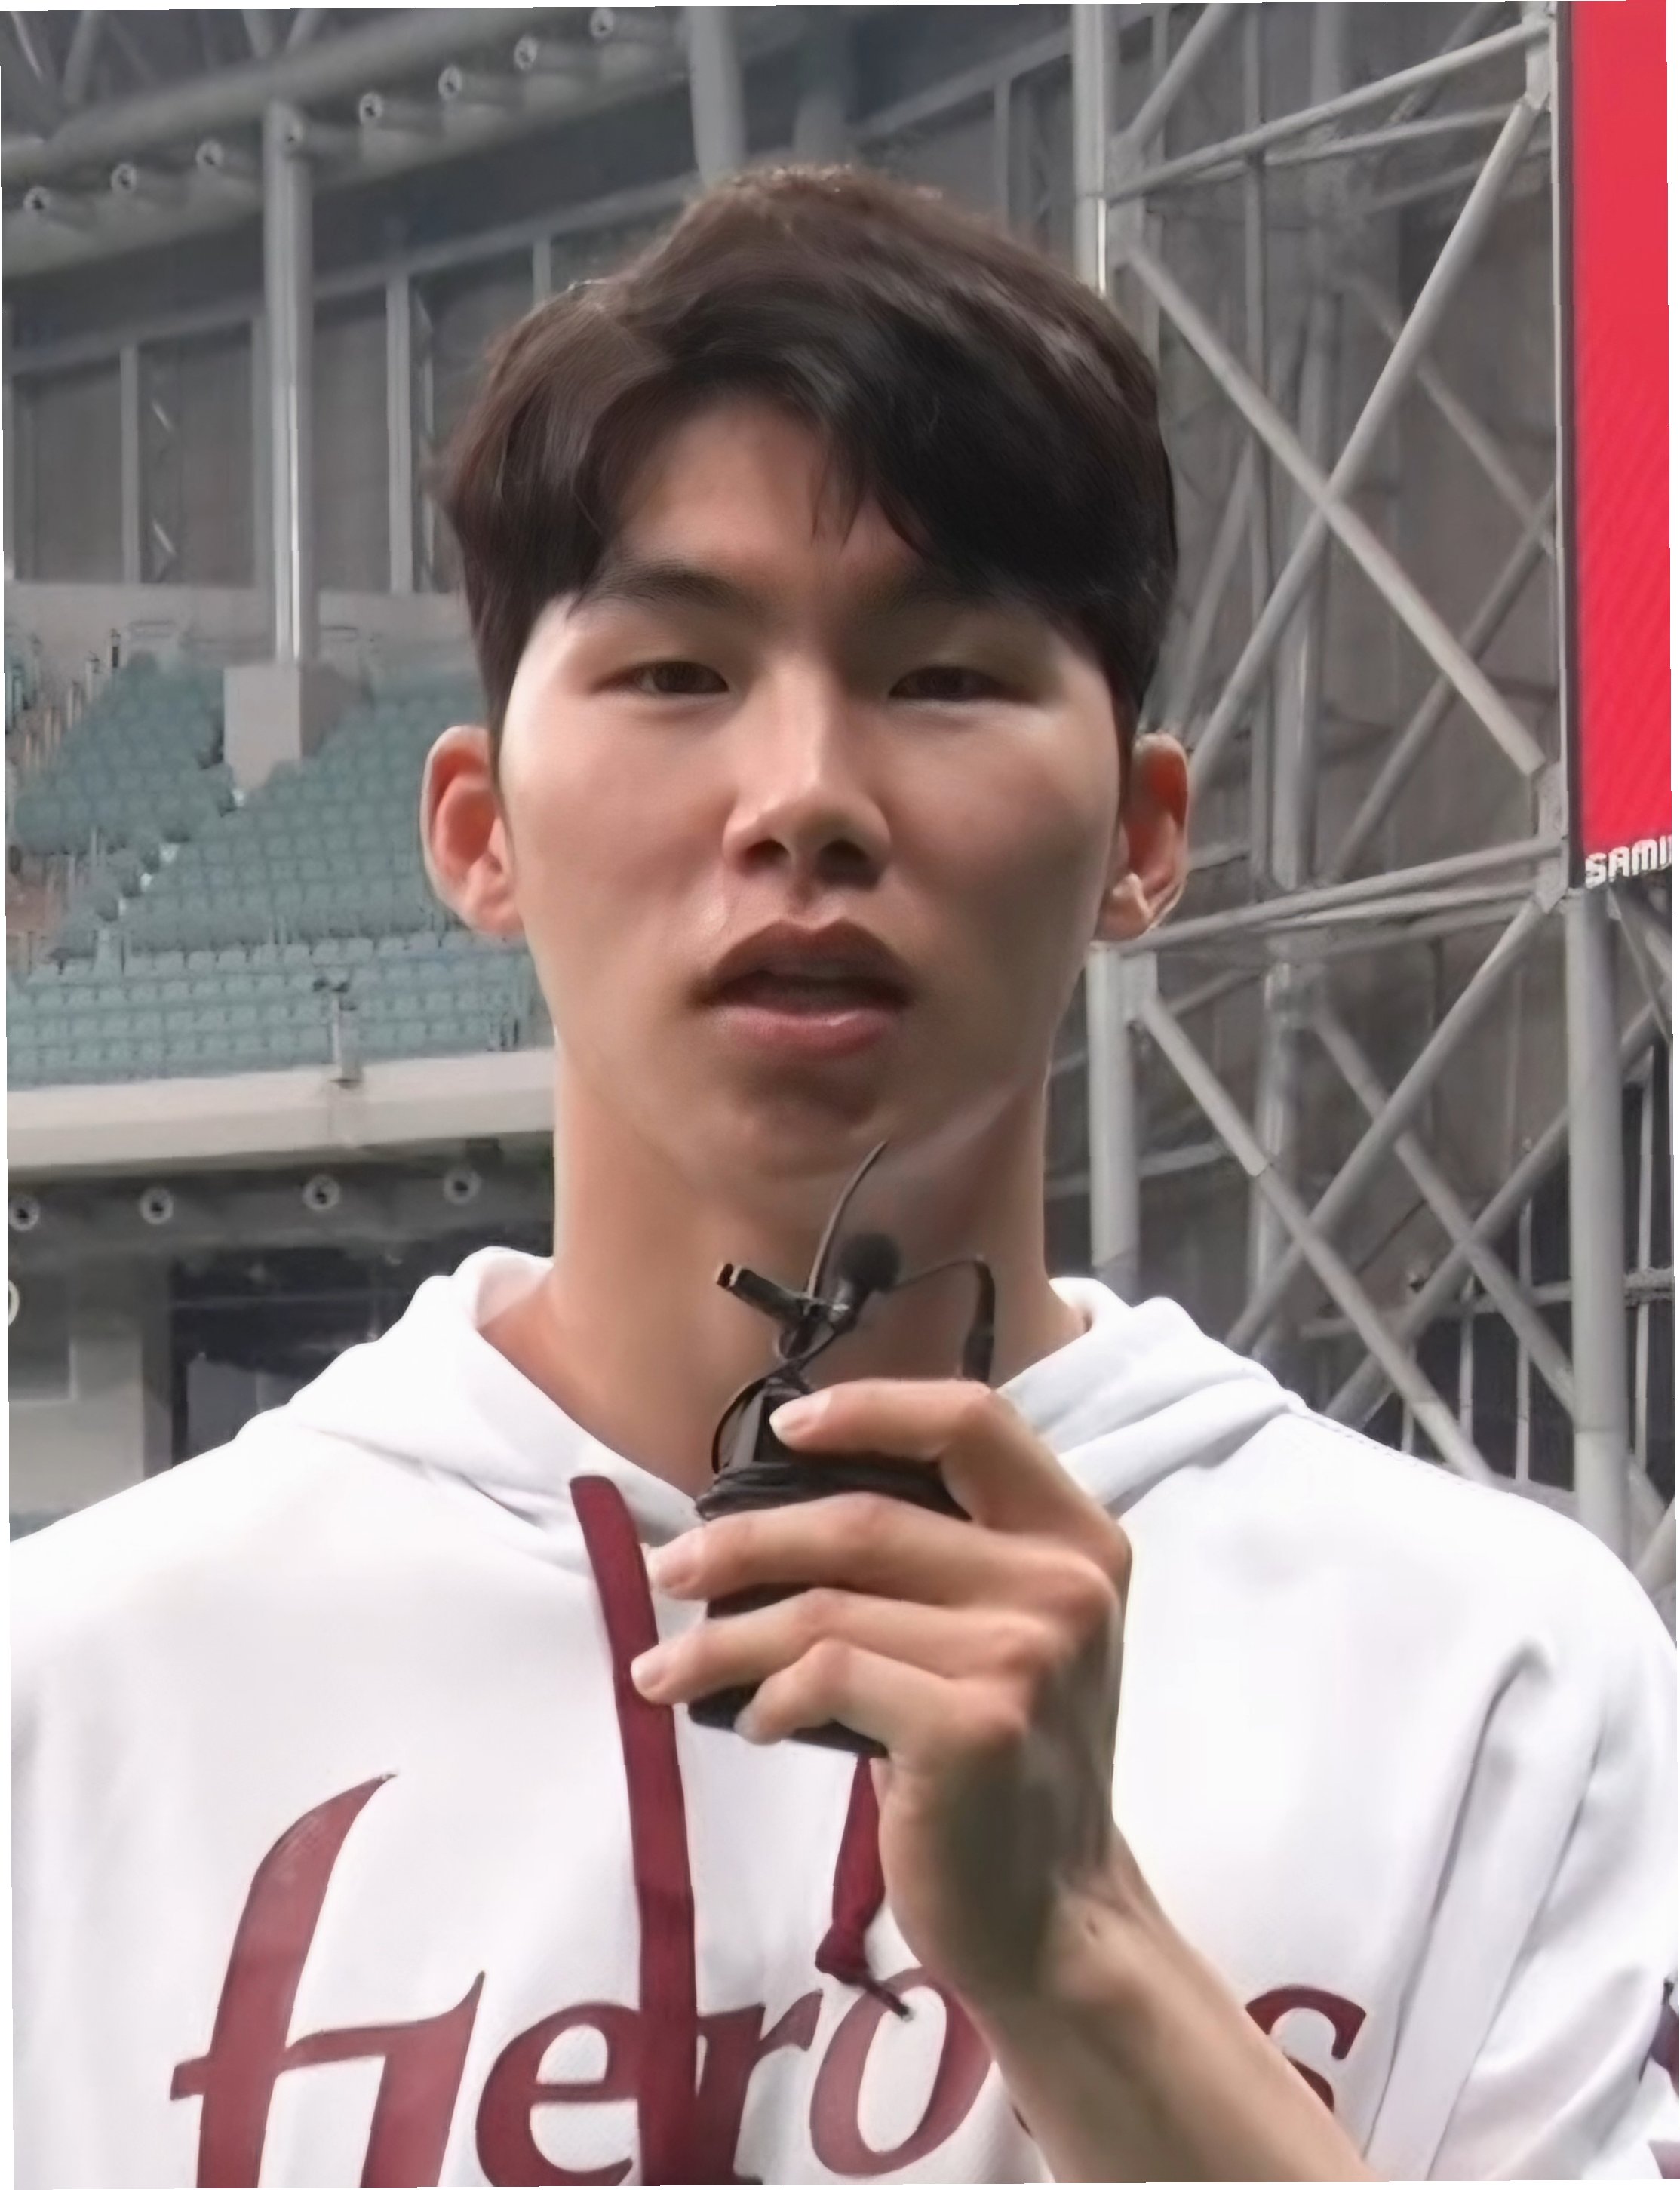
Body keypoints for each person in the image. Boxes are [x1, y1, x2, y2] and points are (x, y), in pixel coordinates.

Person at [12, 166, 1677, 2188]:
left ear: (1143, 837)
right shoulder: (77, 1699)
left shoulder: (1497, 1676)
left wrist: (1081, 1960)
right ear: (476, 830)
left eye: (943, 675)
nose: (802, 798)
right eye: (675, 676)